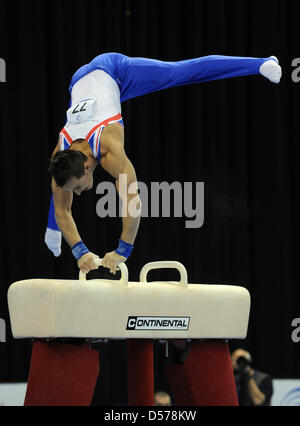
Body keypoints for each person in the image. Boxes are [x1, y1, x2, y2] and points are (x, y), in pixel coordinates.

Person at [45, 52, 282, 274]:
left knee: (177, 72)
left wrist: (122, 251)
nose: (79, 192)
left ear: (87, 166)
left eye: (77, 187)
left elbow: (132, 201)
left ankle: (259, 63)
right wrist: (80, 251)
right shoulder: (61, 153)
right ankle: (52, 229)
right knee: (59, 188)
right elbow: (62, 209)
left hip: (113, 71)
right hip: (78, 81)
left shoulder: (109, 149)